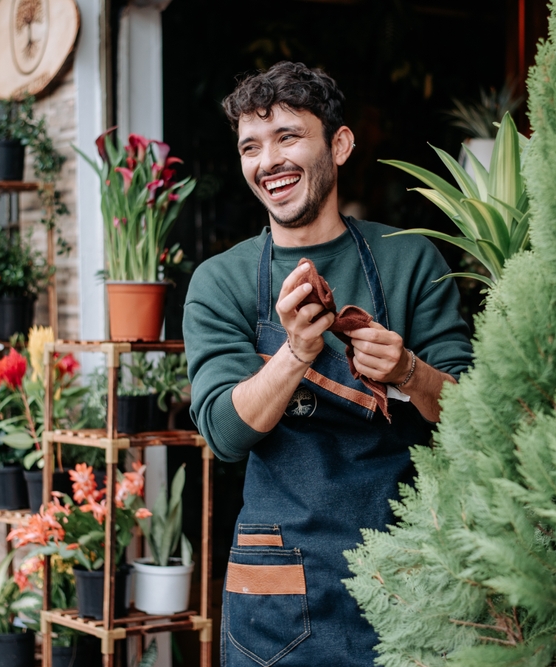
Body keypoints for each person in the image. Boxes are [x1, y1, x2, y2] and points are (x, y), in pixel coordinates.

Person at [183, 61, 473, 666]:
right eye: (251, 147)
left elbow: (472, 418)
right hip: (279, 587)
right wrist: (296, 353)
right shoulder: (222, 282)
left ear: (338, 145)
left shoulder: (410, 260)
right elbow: (226, 435)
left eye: (289, 137)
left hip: (409, 567)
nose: (269, 162)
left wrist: (408, 374)